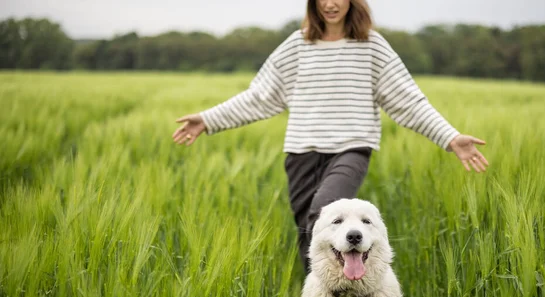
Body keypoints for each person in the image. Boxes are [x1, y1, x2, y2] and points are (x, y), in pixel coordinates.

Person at [172, 0, 489, 273]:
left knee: (324, 210)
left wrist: (450, 137)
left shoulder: (372, 47)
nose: (330, 3)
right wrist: (208, 120)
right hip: (301, 153)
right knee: (308, 231)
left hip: (351, 150)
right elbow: (259, 96)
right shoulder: (297, 46)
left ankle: (344, 294)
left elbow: (407, 100)